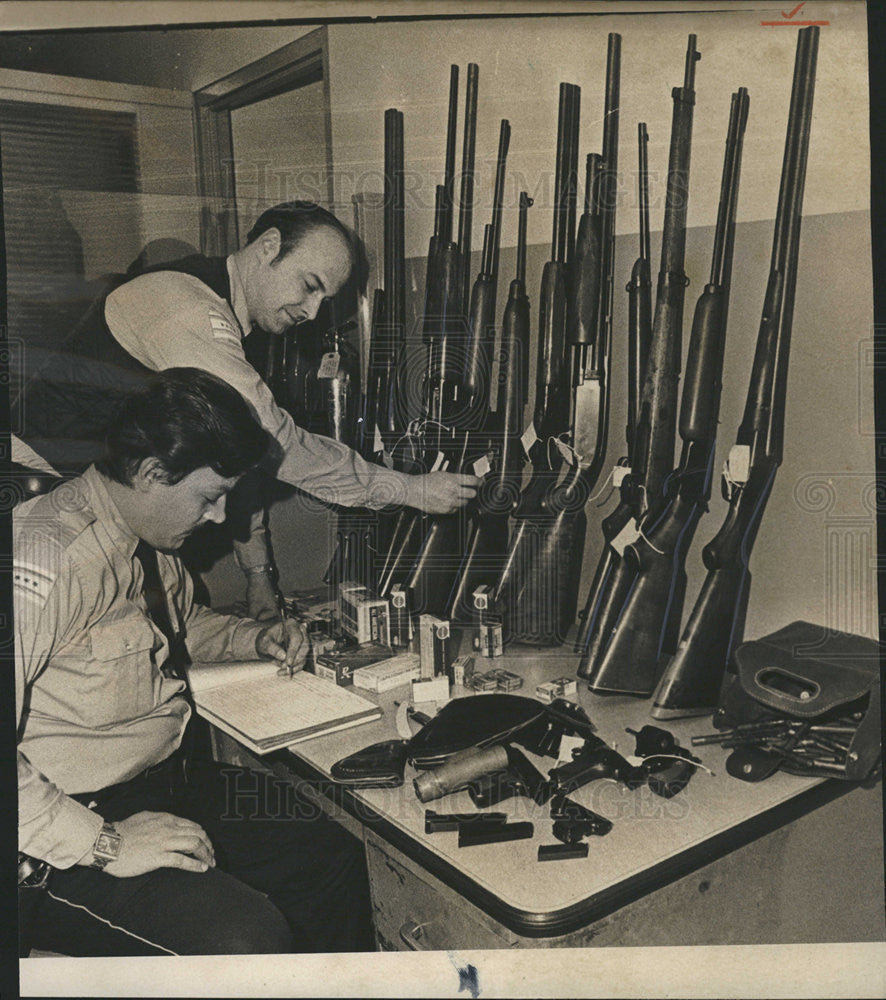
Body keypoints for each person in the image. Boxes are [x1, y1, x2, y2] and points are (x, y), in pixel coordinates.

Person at [15, 368, 375, 956]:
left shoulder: (146, 539)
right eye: (210, 495)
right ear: (152, 473)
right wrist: (105, 844)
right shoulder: (43, 561)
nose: (218, 515)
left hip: (161, 785)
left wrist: (252, 640)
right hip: (58, 831)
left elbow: (171, 630)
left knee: (326, 855)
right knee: (244, 938)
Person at [11, 200, 481, 619]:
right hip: (36, 501)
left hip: (90, 501)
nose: (313, 312)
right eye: (309, 285)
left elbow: (236, 454)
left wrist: (257, 573)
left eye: (325, 299)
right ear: (269, 246)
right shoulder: (187, 307)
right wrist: (406, 488)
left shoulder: (227, 322)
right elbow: (277, 444)